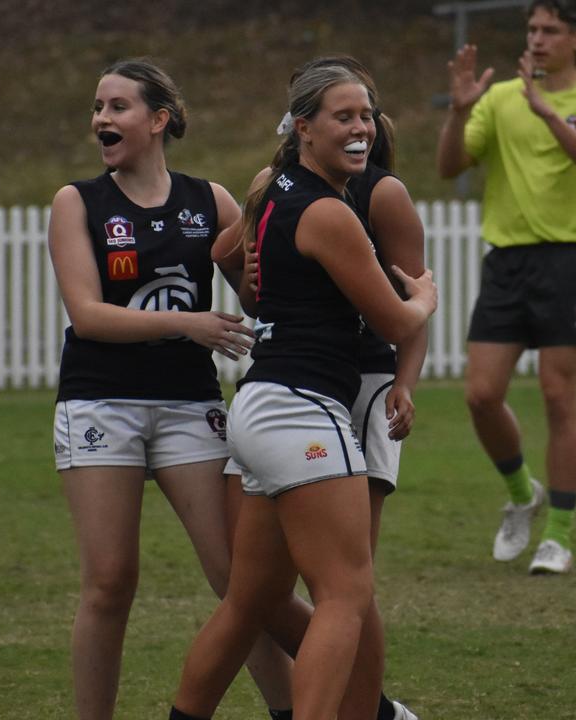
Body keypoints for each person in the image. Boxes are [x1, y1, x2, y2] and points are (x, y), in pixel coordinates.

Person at [168, 64, 437, 720]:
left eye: (365, 115)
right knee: (345, 595)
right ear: (303, 128)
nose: (361, 128)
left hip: (261, 404)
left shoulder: (277, 187)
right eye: (343, 117)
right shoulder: (327, 213)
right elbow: (396, 319)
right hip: (303, 411)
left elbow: (242, 267)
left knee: (248, 600)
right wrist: (426, 297)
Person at [47, 58, 296, 720]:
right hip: (101, 403)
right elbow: (89, 315)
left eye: (118, 106)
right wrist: (190, 321)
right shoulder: (77, 203)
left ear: (158, 120)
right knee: (109, 582)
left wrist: (264, 216)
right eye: (98, 107)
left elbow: (254, 292)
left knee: (238, 581)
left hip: (190, 405)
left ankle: (293, 712)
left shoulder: (208, 201)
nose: (102, 118)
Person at [435, 0, 576, 574]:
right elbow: (449, 168)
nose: (538, 39)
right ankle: (523, 494)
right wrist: (456, 111)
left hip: (568, 261)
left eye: (550, 30)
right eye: (532, 29)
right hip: (507, 263)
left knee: (557, 394)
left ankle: (559, 537)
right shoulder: (498, 99)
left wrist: (548, 115)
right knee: (480, 394)